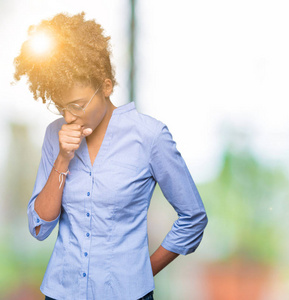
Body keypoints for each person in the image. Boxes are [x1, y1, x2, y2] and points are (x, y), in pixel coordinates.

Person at [14, 12, 208, 300]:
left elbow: (193, 217)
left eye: (78, 105)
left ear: (106, 87)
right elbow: (39, 227)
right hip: (61, 292)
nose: (69, 116)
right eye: (60, 106)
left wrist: (143, 272)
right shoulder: (55, 134)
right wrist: (63, 158)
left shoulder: (149, 136)